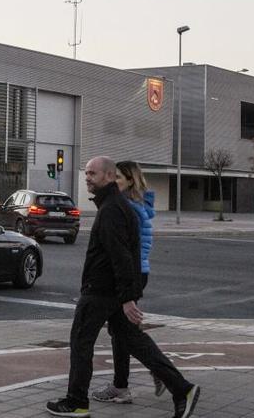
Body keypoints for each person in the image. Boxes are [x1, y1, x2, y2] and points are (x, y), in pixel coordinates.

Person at [46, 156, 200, 418]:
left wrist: (129, 298)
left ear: (108, 176)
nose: (87, 178)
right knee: (134, 341)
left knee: (81, 342)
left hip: (101, 290)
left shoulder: (112, 210)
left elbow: (122, 255)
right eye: (87, 174)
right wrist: (127, 295)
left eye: (93, 174)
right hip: (114, 290)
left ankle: (77, 401)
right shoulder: (118, 206)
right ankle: (182, 389)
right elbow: (129, 251)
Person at [92, 160, 161, 404]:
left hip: (130, 273)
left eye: (118, 178)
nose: (113, 183)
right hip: (135, 272)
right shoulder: (135, 205)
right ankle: (139, 378)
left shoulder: (127, 208)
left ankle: (141, 378)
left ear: (130, 180)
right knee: (123, 332)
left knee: (125, 333)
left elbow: (122, 249)